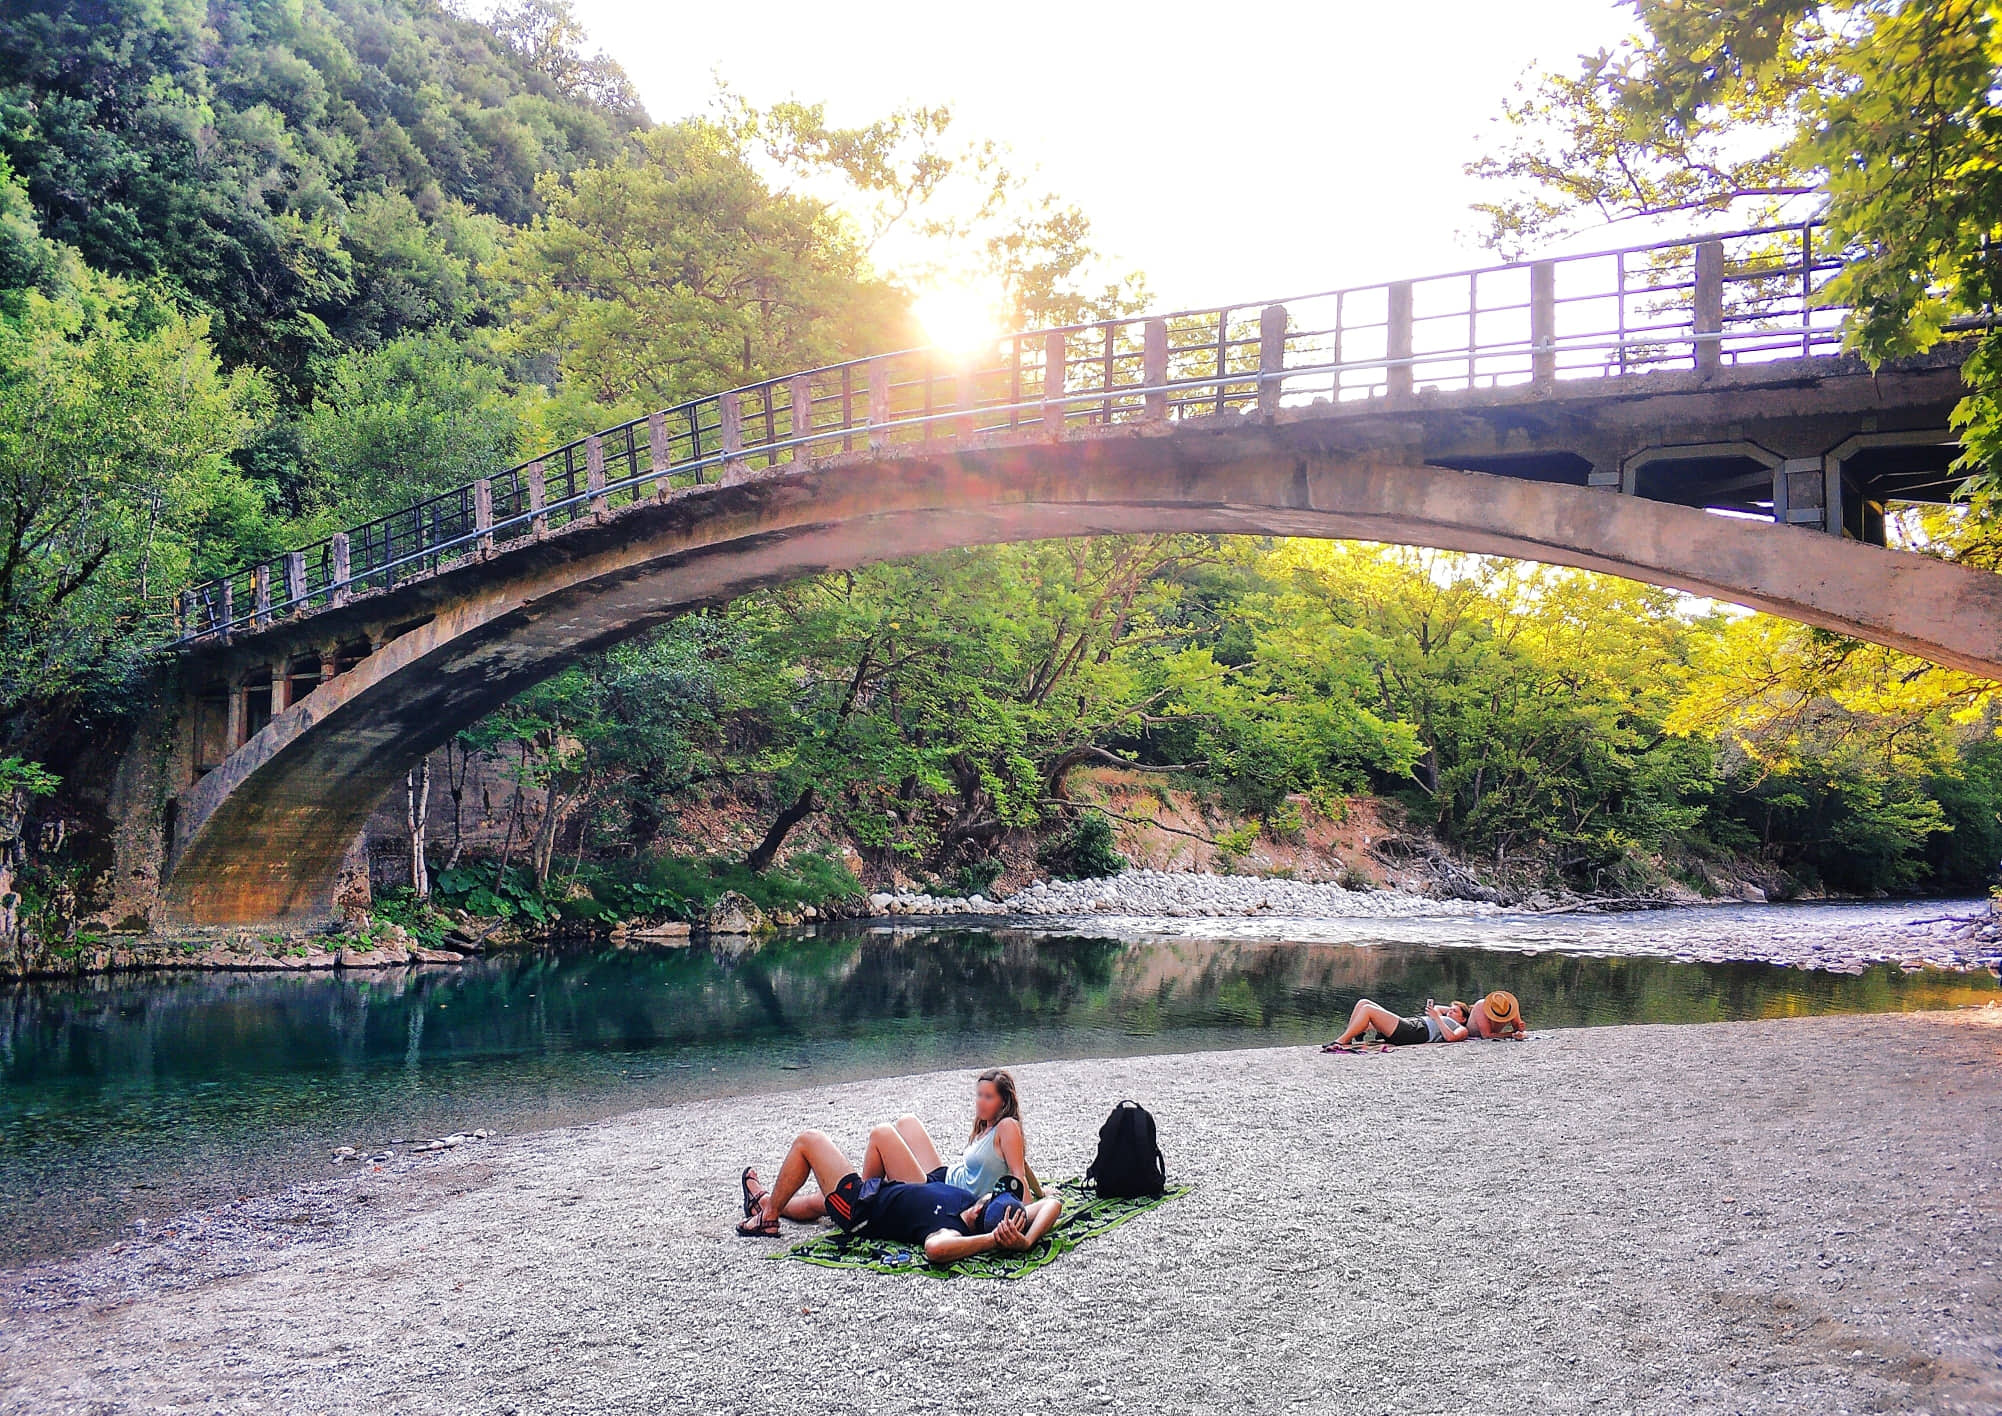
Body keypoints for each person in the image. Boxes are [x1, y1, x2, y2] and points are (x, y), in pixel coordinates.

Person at [735, 1122, 1063, 1263]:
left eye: (991, 1196)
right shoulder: (978, 1209)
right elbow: (1052, 1204)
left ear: (981, 1209)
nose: (989, 1193)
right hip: (878, 1192)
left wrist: (992, 1241)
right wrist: (1025, 1241)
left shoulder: (952, 1229)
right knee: (817, 1204)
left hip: (861, 1212)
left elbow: (935, 1250)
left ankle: (768, 1217)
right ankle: (765, 1203)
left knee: (809, 1141)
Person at [1322, 996, 1471, 1051]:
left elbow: (1451, 1038)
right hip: (1410, 1025)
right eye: (1449, 1010)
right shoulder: (1442, 1016)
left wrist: (1438, 1018)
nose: (1449, 1012)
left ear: (1464, 1018)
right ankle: (1350, 1037)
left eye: (1454, 1011)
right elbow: (1438, 1007)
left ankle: (1341, 1041)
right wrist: (1443, 1012)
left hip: (1415, 1032)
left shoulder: (1461, 1028)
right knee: (1363, 1002)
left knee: (1368, 1009)